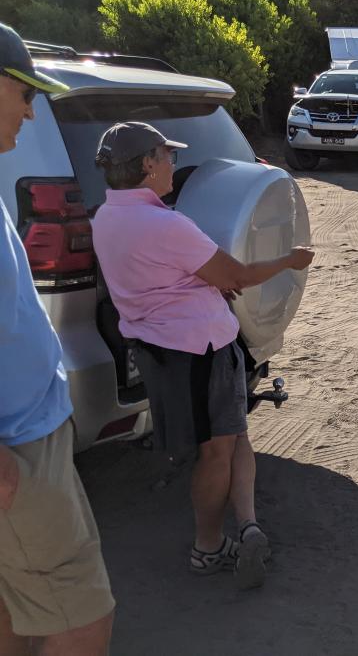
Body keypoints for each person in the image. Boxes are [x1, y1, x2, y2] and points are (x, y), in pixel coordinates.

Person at [91, 121, 314, 589]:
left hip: (162, 351)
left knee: (230, 437)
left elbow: (172, 277)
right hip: (202, 350)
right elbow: (241, 273)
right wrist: (290, 260)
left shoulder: (105, 219)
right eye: (166, 155)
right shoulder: (167, 225)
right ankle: (208, 548)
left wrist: (207, 281)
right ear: (147, 164)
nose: (174, 163)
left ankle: (246, 525)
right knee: (218, 451)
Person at [0, 23, 116, 654]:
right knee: (82, 616)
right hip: (15, 450)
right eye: (22, 90)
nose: (31, 106)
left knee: (16, 613)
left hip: (27, 437)